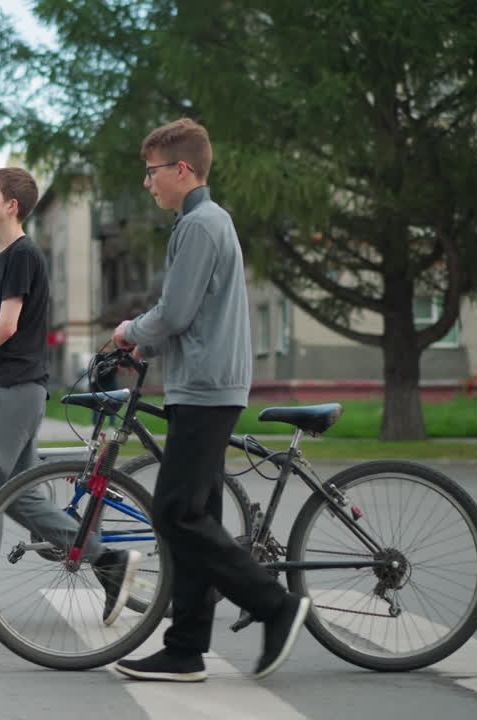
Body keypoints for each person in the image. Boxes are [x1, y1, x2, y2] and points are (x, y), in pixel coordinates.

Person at [110, 119, 310, 681]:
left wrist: (129, 331)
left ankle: (275, 604)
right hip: (202, 384)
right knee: (195, 515)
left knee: (173, 512)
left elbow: (174, 315)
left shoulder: (199, 224)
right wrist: (147, 346)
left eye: (152, 172)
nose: (147, 183)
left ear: (182, 169)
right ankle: (186, 647)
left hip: (206, 388)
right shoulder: (200, 222)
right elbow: (187, 315)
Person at [0, 168, 140, 631]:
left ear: (11, 205)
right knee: (17, 497)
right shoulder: (6, 255)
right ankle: (107, 560)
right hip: (15, 387)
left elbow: (7, 326)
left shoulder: (20, 254)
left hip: (19, 388)